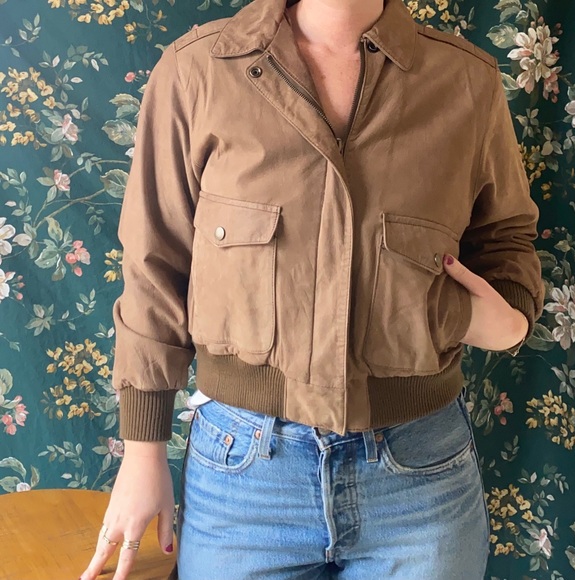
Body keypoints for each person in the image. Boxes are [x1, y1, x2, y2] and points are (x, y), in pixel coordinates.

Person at [79, 0, 545, 578]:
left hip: (420, 480)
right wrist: (143, 450)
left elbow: (507, 238)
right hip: (244, 479)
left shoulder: (465, 80)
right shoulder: (199, 69)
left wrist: (509, 316)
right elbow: (156, 259)